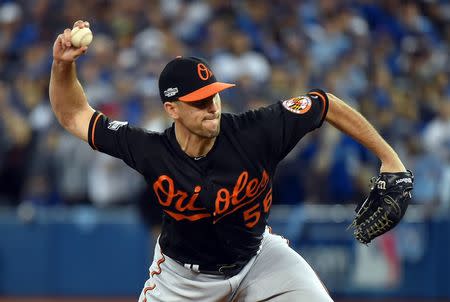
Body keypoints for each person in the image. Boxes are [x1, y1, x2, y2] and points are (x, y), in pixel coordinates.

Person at [50, 21, 408, 302]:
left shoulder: (257, 131)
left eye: (214, 96)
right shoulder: (151, 150)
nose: (212, 106)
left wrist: (389, 159)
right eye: (200, 101)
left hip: (259, 260)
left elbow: (325, 103)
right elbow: (73, 115)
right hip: (184, 281)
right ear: (172, 109)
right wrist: (61, 66)